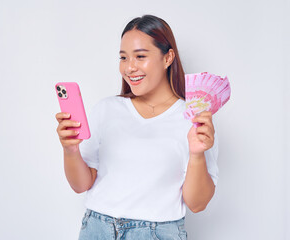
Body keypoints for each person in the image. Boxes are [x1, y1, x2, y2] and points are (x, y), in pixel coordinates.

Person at [55, 14, 219, 240]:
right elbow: (81, 184)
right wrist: (70, 150)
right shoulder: (106, 109)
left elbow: (197, 203)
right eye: (123, 58)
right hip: (96, 229)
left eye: (140, 56)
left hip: (156, 233)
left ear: (168, 57)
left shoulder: (193, 118)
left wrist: (197, 155)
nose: (130, 68)